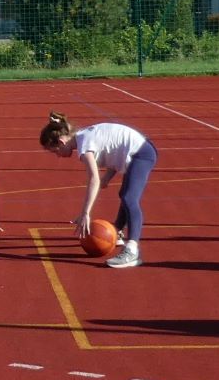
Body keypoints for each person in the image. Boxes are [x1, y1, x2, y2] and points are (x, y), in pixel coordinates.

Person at [38, 112, 157, 270]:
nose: (57, 156)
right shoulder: (83, 137)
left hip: (141, 153)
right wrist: (107, 177)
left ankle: (132, 251)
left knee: (129, 198)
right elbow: (113, 149)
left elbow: (93, 179)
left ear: (61, 142)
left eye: (55, 151)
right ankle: (117, 232)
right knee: (125, 195)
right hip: (140, 150)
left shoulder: (84, 146)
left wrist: (86, 213)